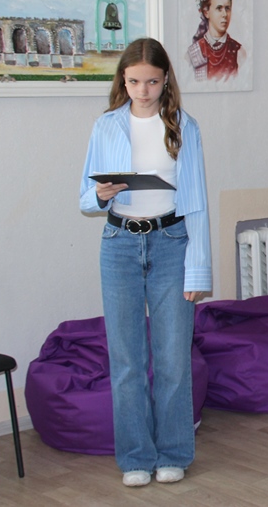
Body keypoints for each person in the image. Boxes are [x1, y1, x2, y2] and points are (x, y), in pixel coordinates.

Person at [79, 38, 211, 488]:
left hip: (172, 242)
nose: (143, 90)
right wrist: (100, 195)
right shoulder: (106, 126)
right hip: (118, 243)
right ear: (123, 80)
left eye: (152, 82)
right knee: (127, 359)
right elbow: (85, 197)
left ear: (165, 80)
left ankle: (173, 452)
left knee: (173, 358)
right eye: (134, 82)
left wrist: (198, 267)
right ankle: (135, 457)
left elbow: (196, 202)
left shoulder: (184, 126)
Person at [186, 0, 246, 81]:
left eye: (227, 8)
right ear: (206, 12)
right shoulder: (193, 53)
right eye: (219, 8)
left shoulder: (239, 52)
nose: (224, 14)